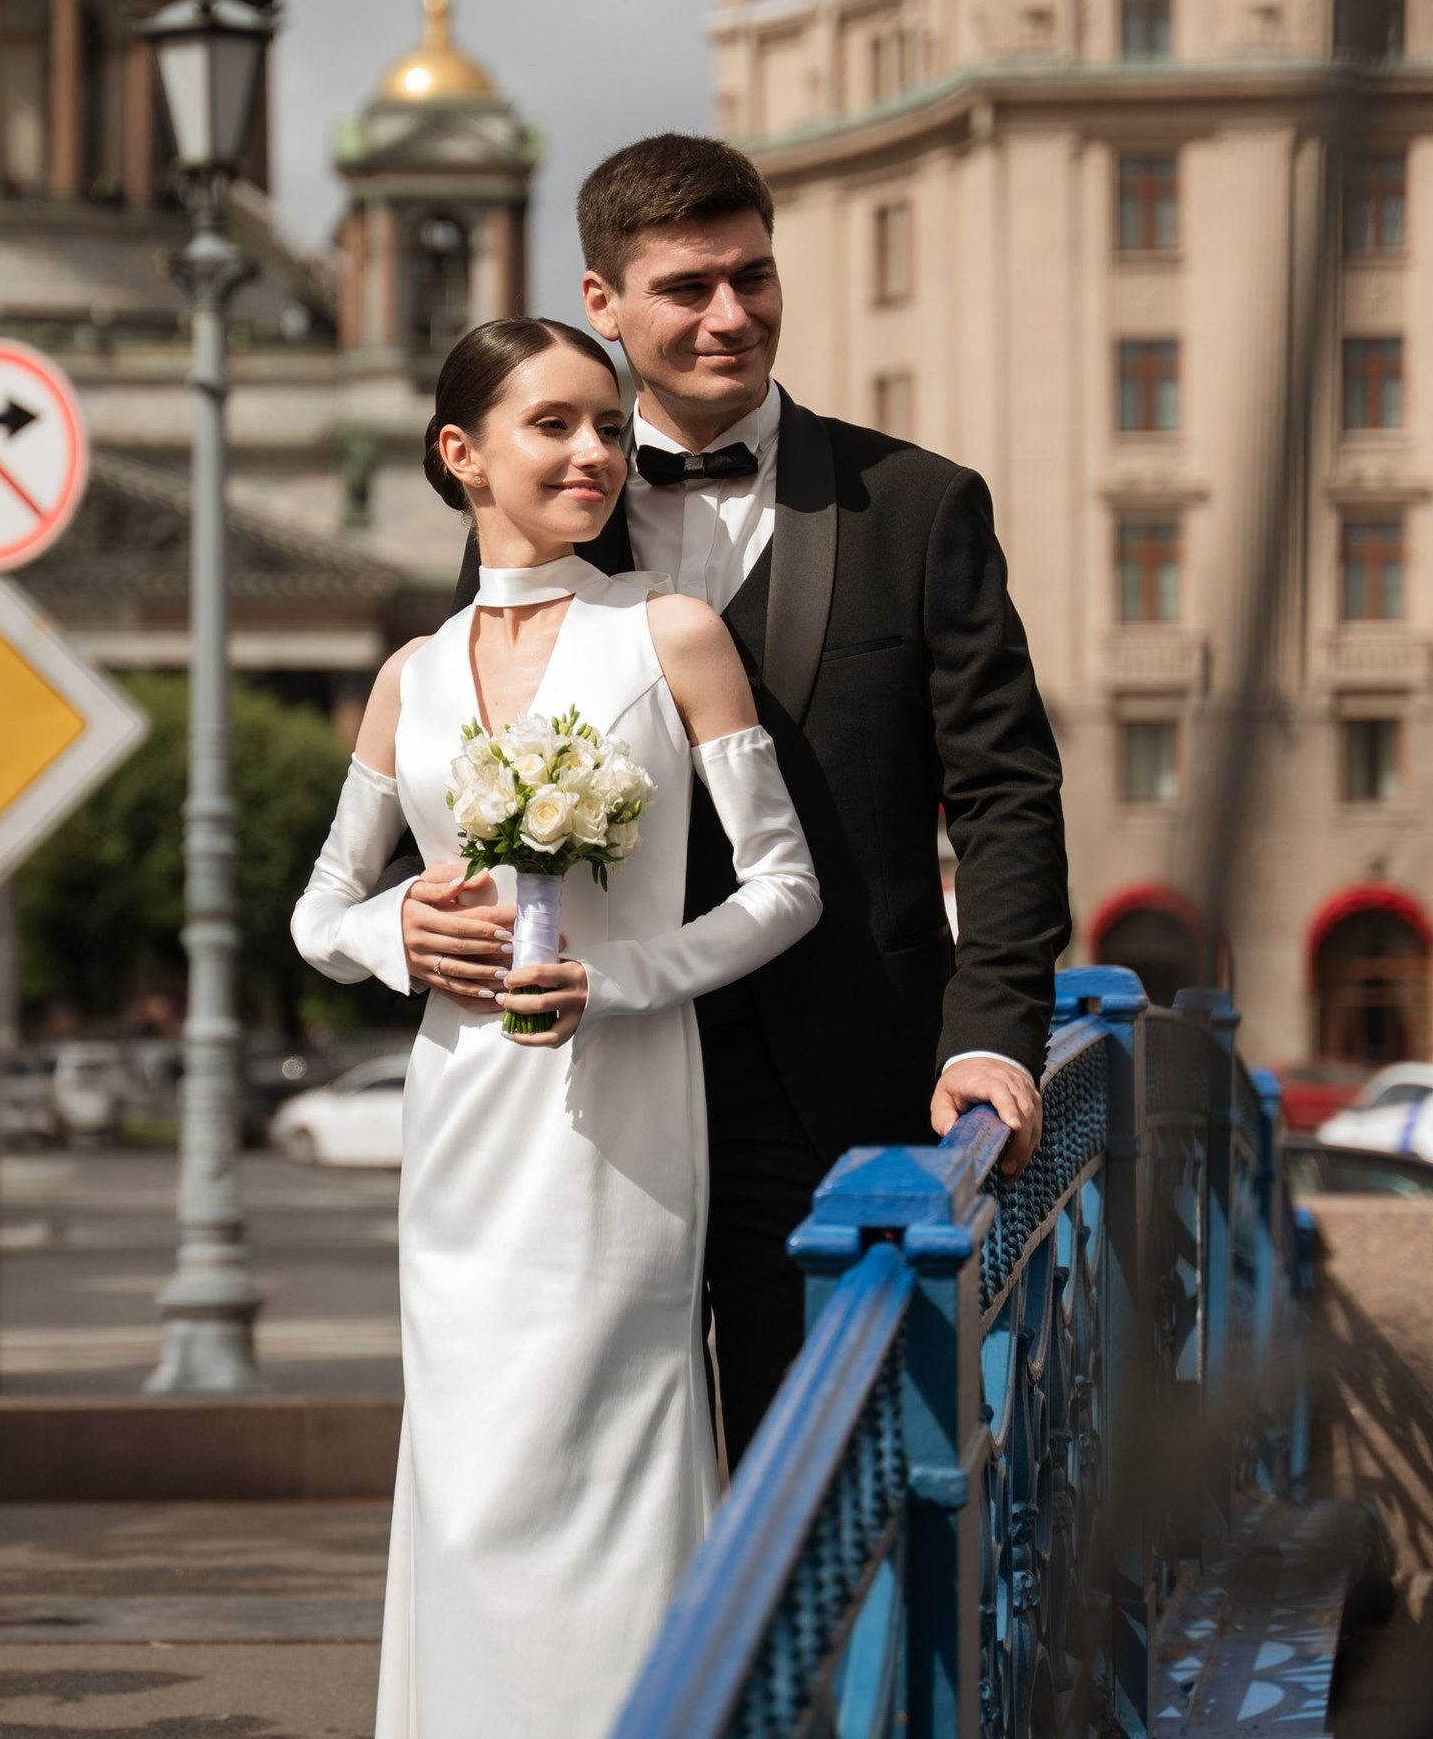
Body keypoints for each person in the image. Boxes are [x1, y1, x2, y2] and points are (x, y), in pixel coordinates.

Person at [291, 317, 820, 1739]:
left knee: (604, 1502)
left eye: (608, 427)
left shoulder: (669, 635)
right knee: (468, 1521)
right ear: (465, 454)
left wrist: (630, 979)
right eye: (555, 426)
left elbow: (785, 888)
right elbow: (319, 912)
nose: (596, 455)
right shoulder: (409, 676)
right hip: (463, 1134)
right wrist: (404, 932)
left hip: (621, 1121)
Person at [412, 134, 1072, 1467]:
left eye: (753, 277)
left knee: (825, 1475)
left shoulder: (920, 506)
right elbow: (465, 771)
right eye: (687, 287)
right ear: (602, 304)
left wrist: (993, 1036)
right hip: (592, 1081)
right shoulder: (528, 515)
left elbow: (1006, 793)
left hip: (842, 1088)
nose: (731, 314)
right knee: (598, 1460)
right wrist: (417, 912)